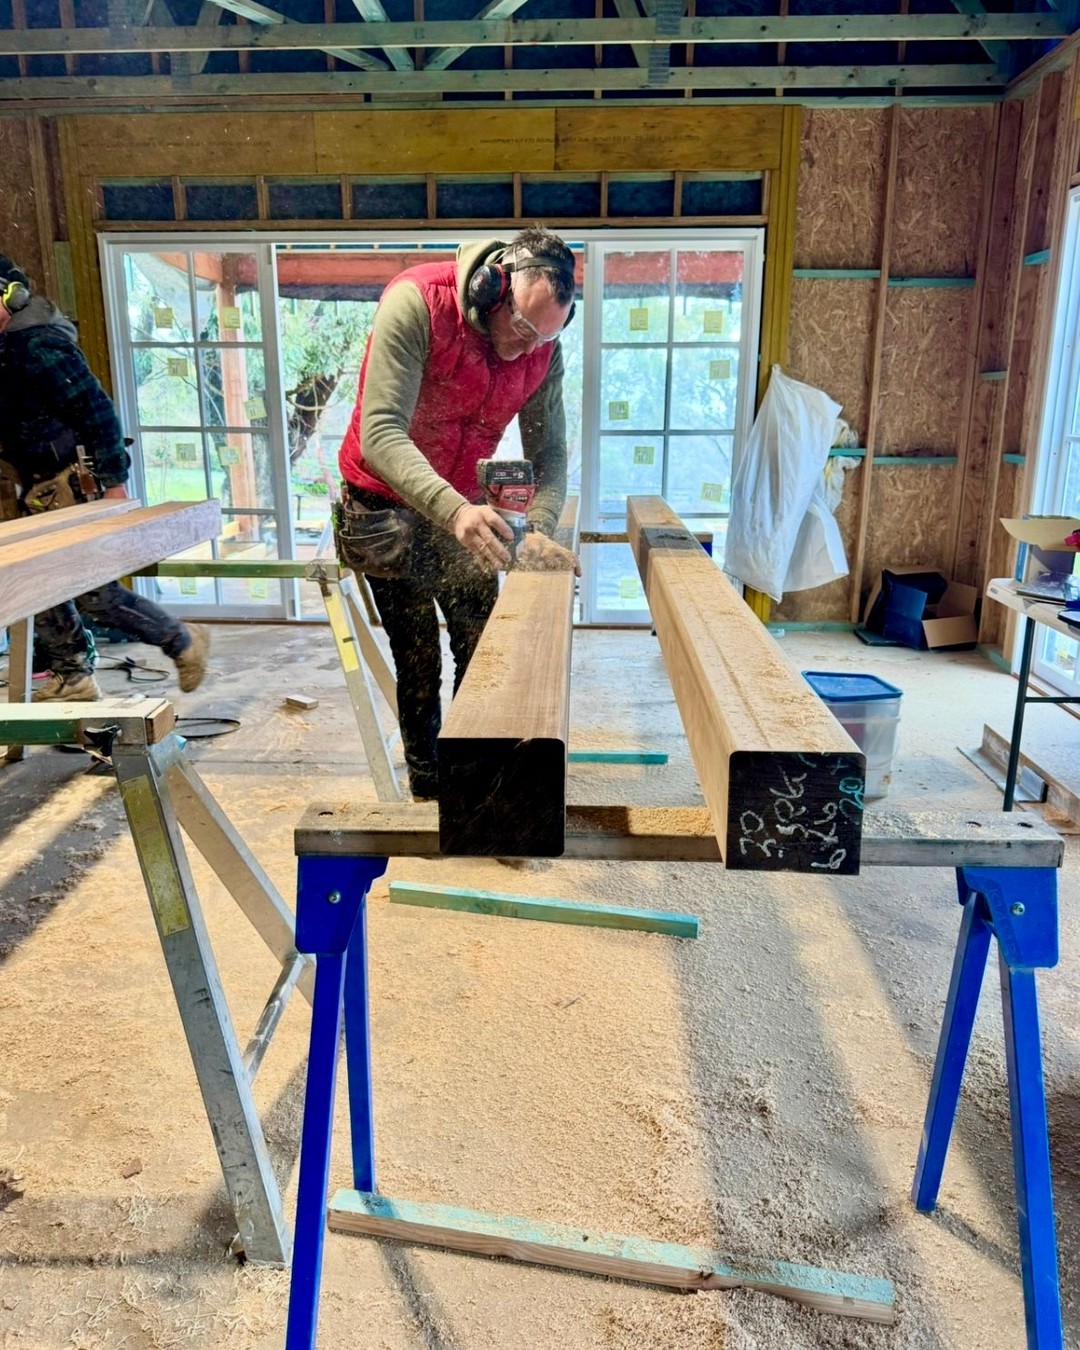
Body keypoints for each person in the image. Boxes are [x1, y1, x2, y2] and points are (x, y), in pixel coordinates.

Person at [336, 226, 581, 801]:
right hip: (383, 504)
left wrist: (539, 530)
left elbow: (551, 455)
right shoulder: (417, 303)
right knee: (417, 656)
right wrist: (455, 511)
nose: (526, 348)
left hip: (459, 504)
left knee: (484, 642)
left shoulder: (542, 347)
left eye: (541, 339)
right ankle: (428, 783)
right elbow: (381, 433)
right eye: (521, 328)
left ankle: (478, 781)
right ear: (490, 289)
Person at [0, 253, 209, 701]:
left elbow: (99, 413)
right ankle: (73, 675)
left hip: (74, 484)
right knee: (42, 588)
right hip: (39, 486)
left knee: (95, 594)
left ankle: (182, 640)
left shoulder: (38, 346)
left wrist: (114, 481)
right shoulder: (6, 348)